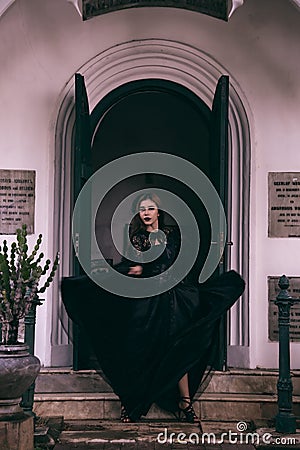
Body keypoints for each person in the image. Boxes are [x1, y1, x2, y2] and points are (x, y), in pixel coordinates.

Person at [61, 192, 245, 429]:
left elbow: (183, 261)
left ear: (159, 212)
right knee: (138, 350)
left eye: (150, 208)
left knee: (177, 349)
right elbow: (133, 261)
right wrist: (134, 268)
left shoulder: (173, 235)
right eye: (142, 209)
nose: (146, 213)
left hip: (174, 300)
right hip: (146, 301)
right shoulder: (138, 238)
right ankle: (131, 401)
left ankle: (185, 404)